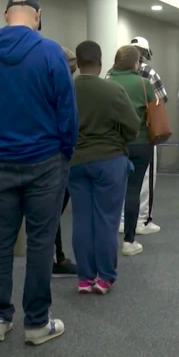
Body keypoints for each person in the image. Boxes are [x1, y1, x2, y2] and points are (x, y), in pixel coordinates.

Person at [0, 0, 77, 346]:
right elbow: (67, 112)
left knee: (1, 239)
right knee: (41, 242)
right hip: (45, 161)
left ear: (5, 14)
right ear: (37, 16)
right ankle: (37, 323)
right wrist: (66, 152)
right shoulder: (50, 52)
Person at [68, 41, 140, 294]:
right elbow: (132, 126)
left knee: (82, 220)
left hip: (75, 162)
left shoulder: (66, 90)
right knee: (106, 220)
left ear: (77, 61)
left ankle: (85, 278)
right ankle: (105, 277)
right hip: (109, 160)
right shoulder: (113, 90)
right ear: (100, 60)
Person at [110, 37, 166, 235]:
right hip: (142, 137)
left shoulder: (109, 76)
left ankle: (120, 220)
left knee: (117, 181)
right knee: (142, 182)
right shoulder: (149, 73)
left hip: (113, 140)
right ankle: (142, 220)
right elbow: (160, 100)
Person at [52, 46, 79, 278]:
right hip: (54, 158)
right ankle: (55, 259)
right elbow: (68, 123)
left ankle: (57, 257)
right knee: (50, 212)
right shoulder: (63, 88)